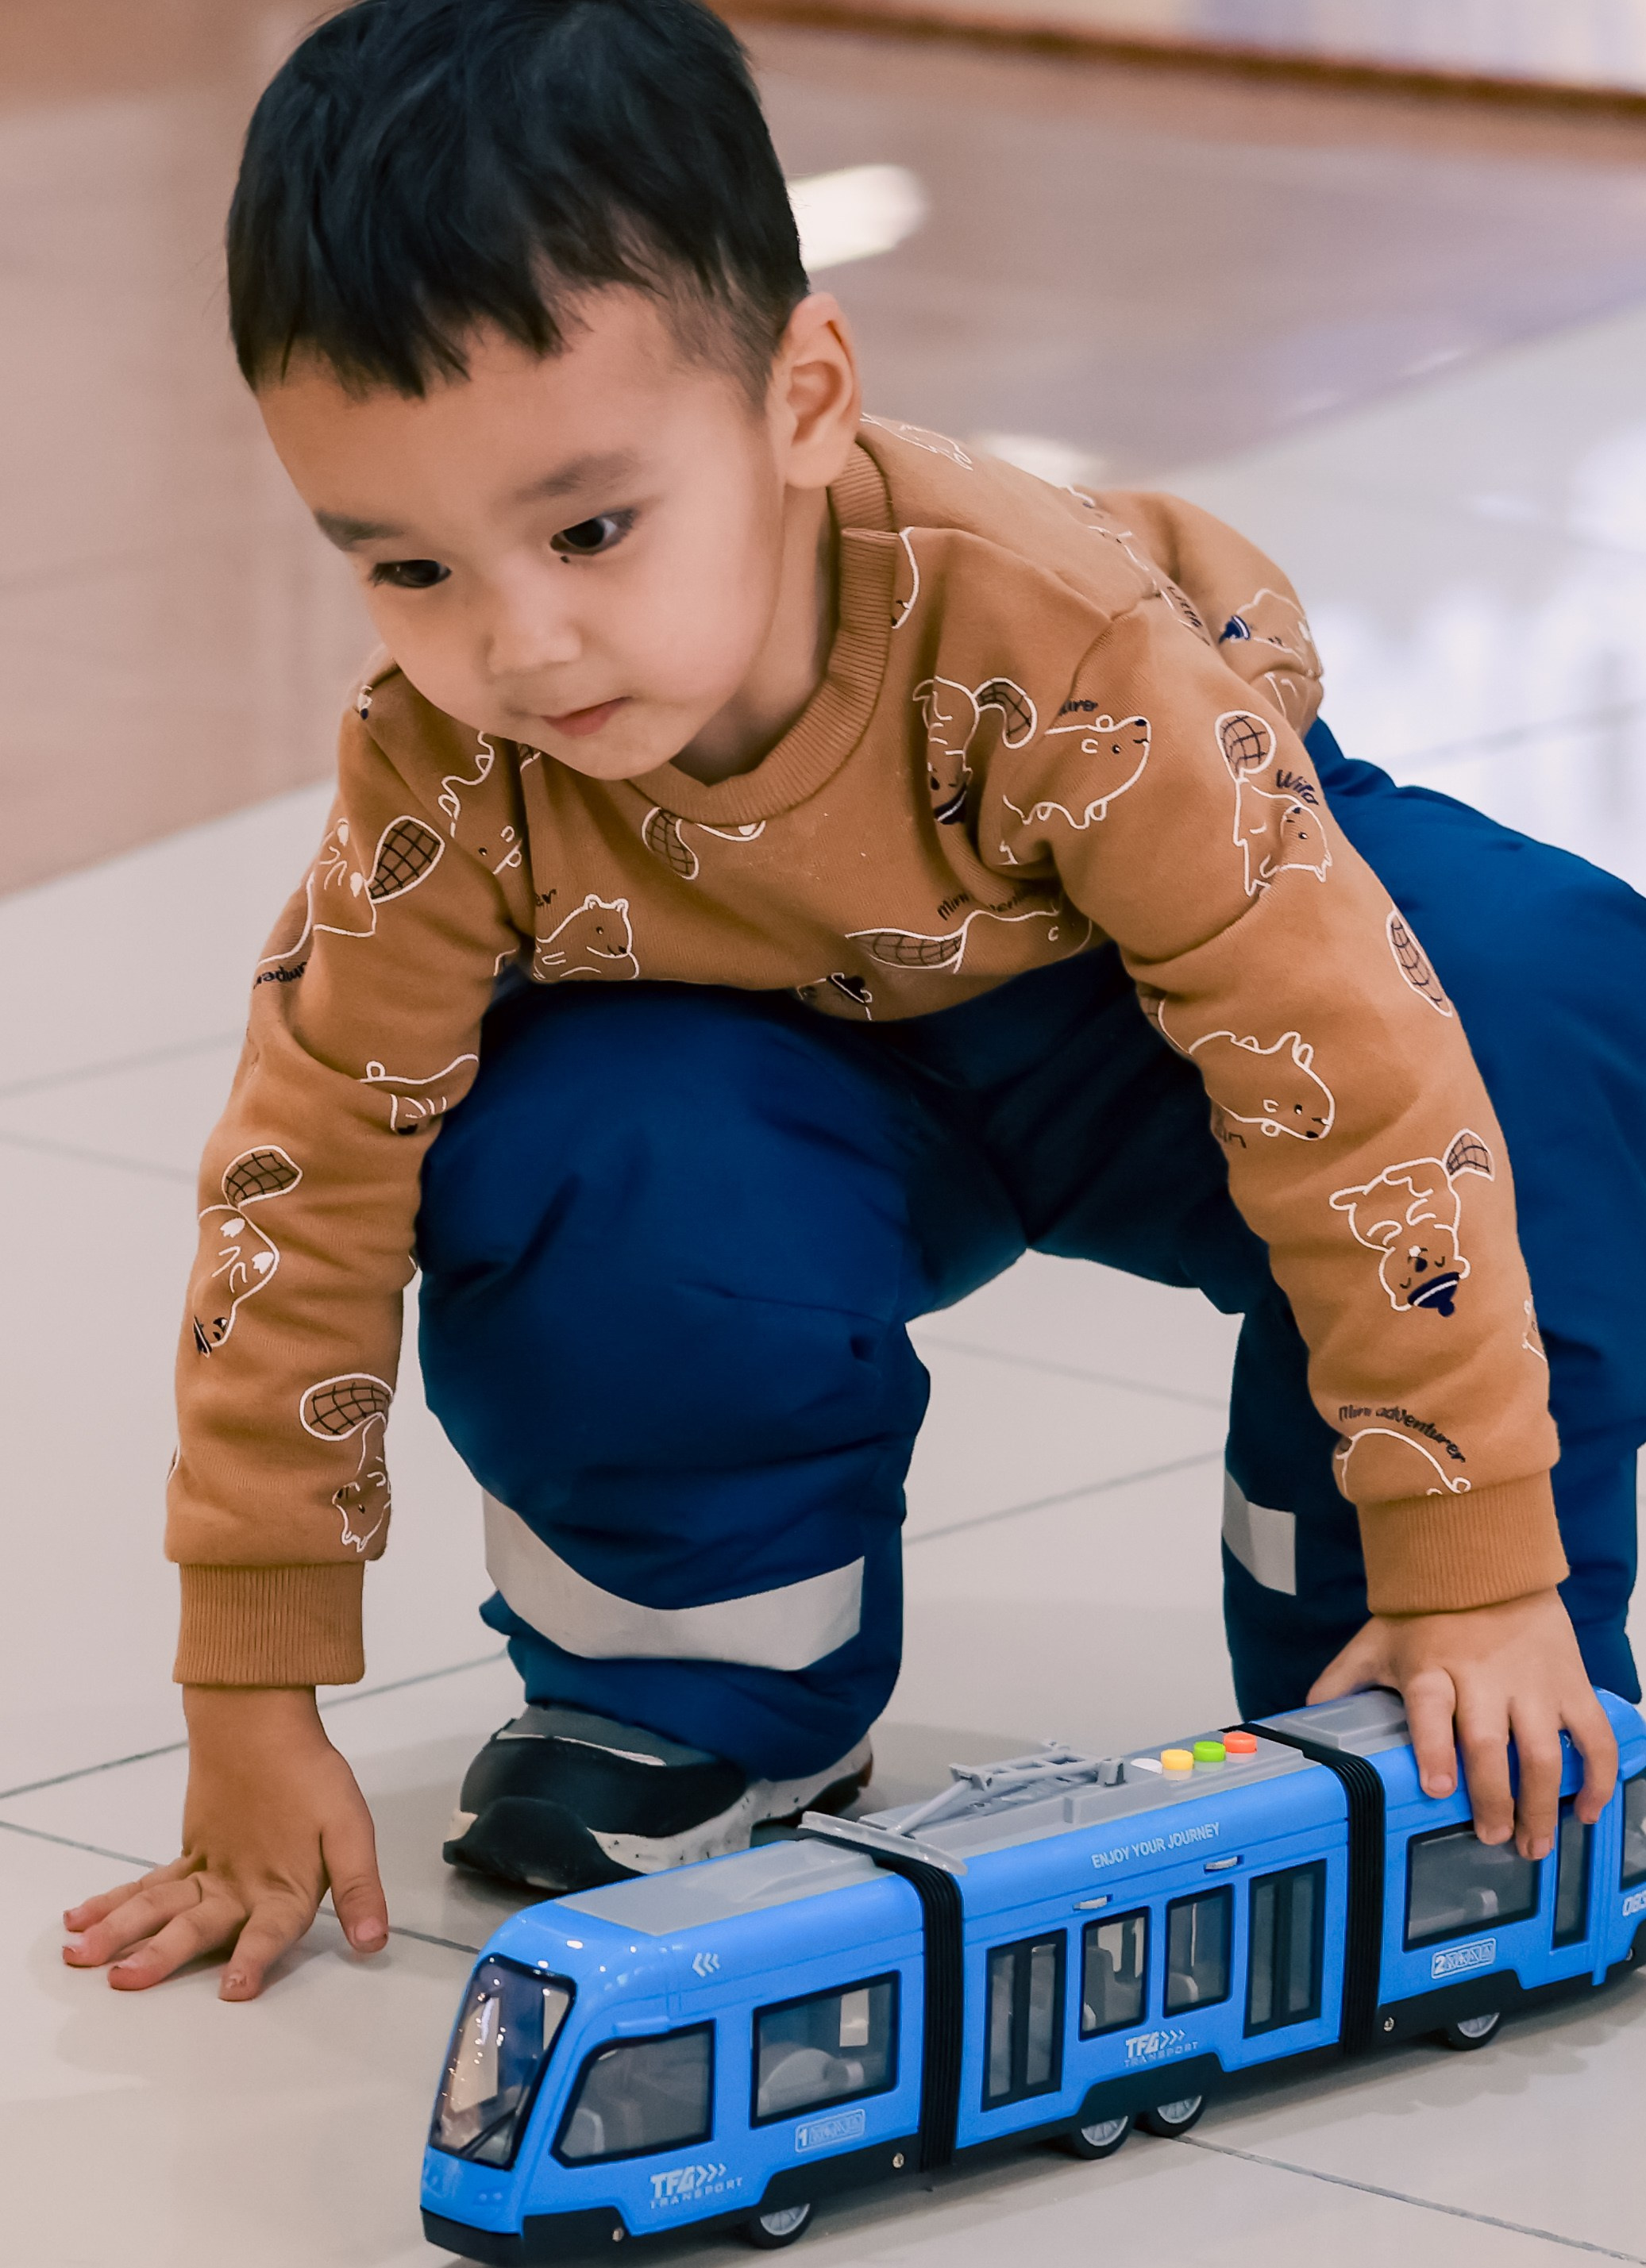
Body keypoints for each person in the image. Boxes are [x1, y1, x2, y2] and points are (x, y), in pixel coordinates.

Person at [64, 0, 1643, 2003]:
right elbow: (302, 1181)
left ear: (802, 399)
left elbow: (1340, 1063)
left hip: (1139, 1006)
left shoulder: (1049, 632)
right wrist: (249, 1679)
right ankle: (714, 1680)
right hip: (774, 1075)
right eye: (404, 567)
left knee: (1532, 1003)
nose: (518, 644)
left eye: (588, 528)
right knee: (574, 1156)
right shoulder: (452, 770)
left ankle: (1426, 1653)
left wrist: (1474, 1552)